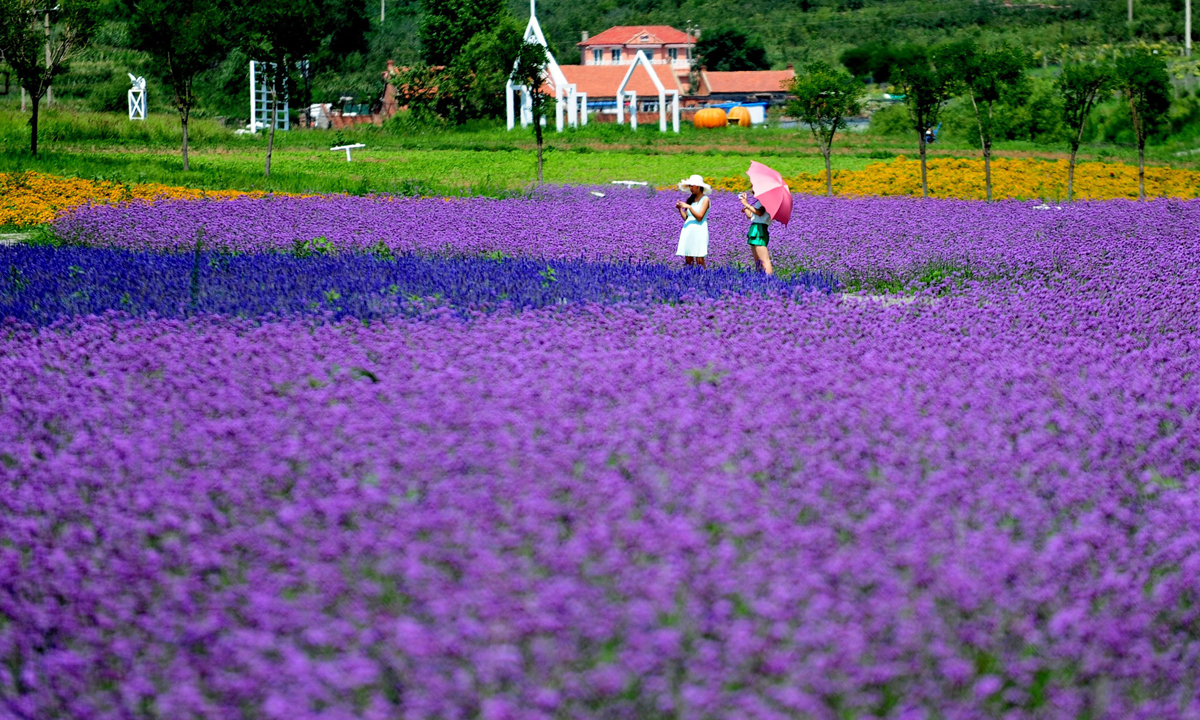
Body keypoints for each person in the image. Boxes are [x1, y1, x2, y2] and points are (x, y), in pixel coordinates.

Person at [675, 175, 711, 268]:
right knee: (688, 258)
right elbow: (687, 218)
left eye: (692, 186)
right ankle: (690, 278)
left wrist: (689, 207)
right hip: (688, 230)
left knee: (699, 258)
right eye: (689, 186)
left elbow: (700, 217)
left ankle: (704, 278)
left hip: (699, 230)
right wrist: (680, 209)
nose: (691, 188)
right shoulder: (690, 199)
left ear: (698, 186)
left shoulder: (705, 199)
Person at [738, 192, 773, 275]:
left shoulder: (766, 201)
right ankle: (760, 279)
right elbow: (749, 216)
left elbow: (760, 212)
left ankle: (770, 281)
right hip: (754, 228)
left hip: (760, 229)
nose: (753, 192)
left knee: (764, 260)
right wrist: (745, 203)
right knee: (757, 261)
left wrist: (747, 204)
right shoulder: (759, 201)